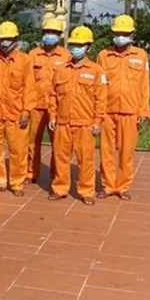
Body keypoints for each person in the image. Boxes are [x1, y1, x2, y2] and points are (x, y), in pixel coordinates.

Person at [48, 25, 107, 206]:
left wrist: (97, 121)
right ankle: (60, 188)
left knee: (86, 160)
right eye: (73, 44)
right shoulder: (61, 70)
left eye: (80, 45)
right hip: (63, 122)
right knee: (60, 157)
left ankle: (86, 191)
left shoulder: (97, 71)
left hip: (85, 123)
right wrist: (52, 115)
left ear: (88, 47)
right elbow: (52, 95)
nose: (76, 48)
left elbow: (101, 99)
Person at [96, 14, 150, 200]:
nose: (120, 36)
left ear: (132, 34)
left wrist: (143, 110)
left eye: (124, 33)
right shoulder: (103, 56)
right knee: (106, 151)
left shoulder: (141, 56)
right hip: (107, 112)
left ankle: (123, 186)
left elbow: (145, 85)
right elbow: (98, 86)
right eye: (117, 33)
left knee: (126, 152)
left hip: (131, 112)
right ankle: (108, 186)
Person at [0, 21, 36, 196]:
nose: (5, 42)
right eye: (2, 39)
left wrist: (26, 111)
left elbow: (29, 88)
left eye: (9, 39)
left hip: (17, 114)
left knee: (18, 150)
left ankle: (17, 182)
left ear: (16, 39)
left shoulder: (25, 61)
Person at [27, 18, 71, 184]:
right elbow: (27, 81)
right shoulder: (32, 55)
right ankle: (31, 172)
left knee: (58, 144)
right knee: (31, 142)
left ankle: (56, 174)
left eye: (54, 32)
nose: (50, 35)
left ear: (60, 35)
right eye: (47, 32)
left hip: (57, 107)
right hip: (35, 105)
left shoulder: (66, 56)